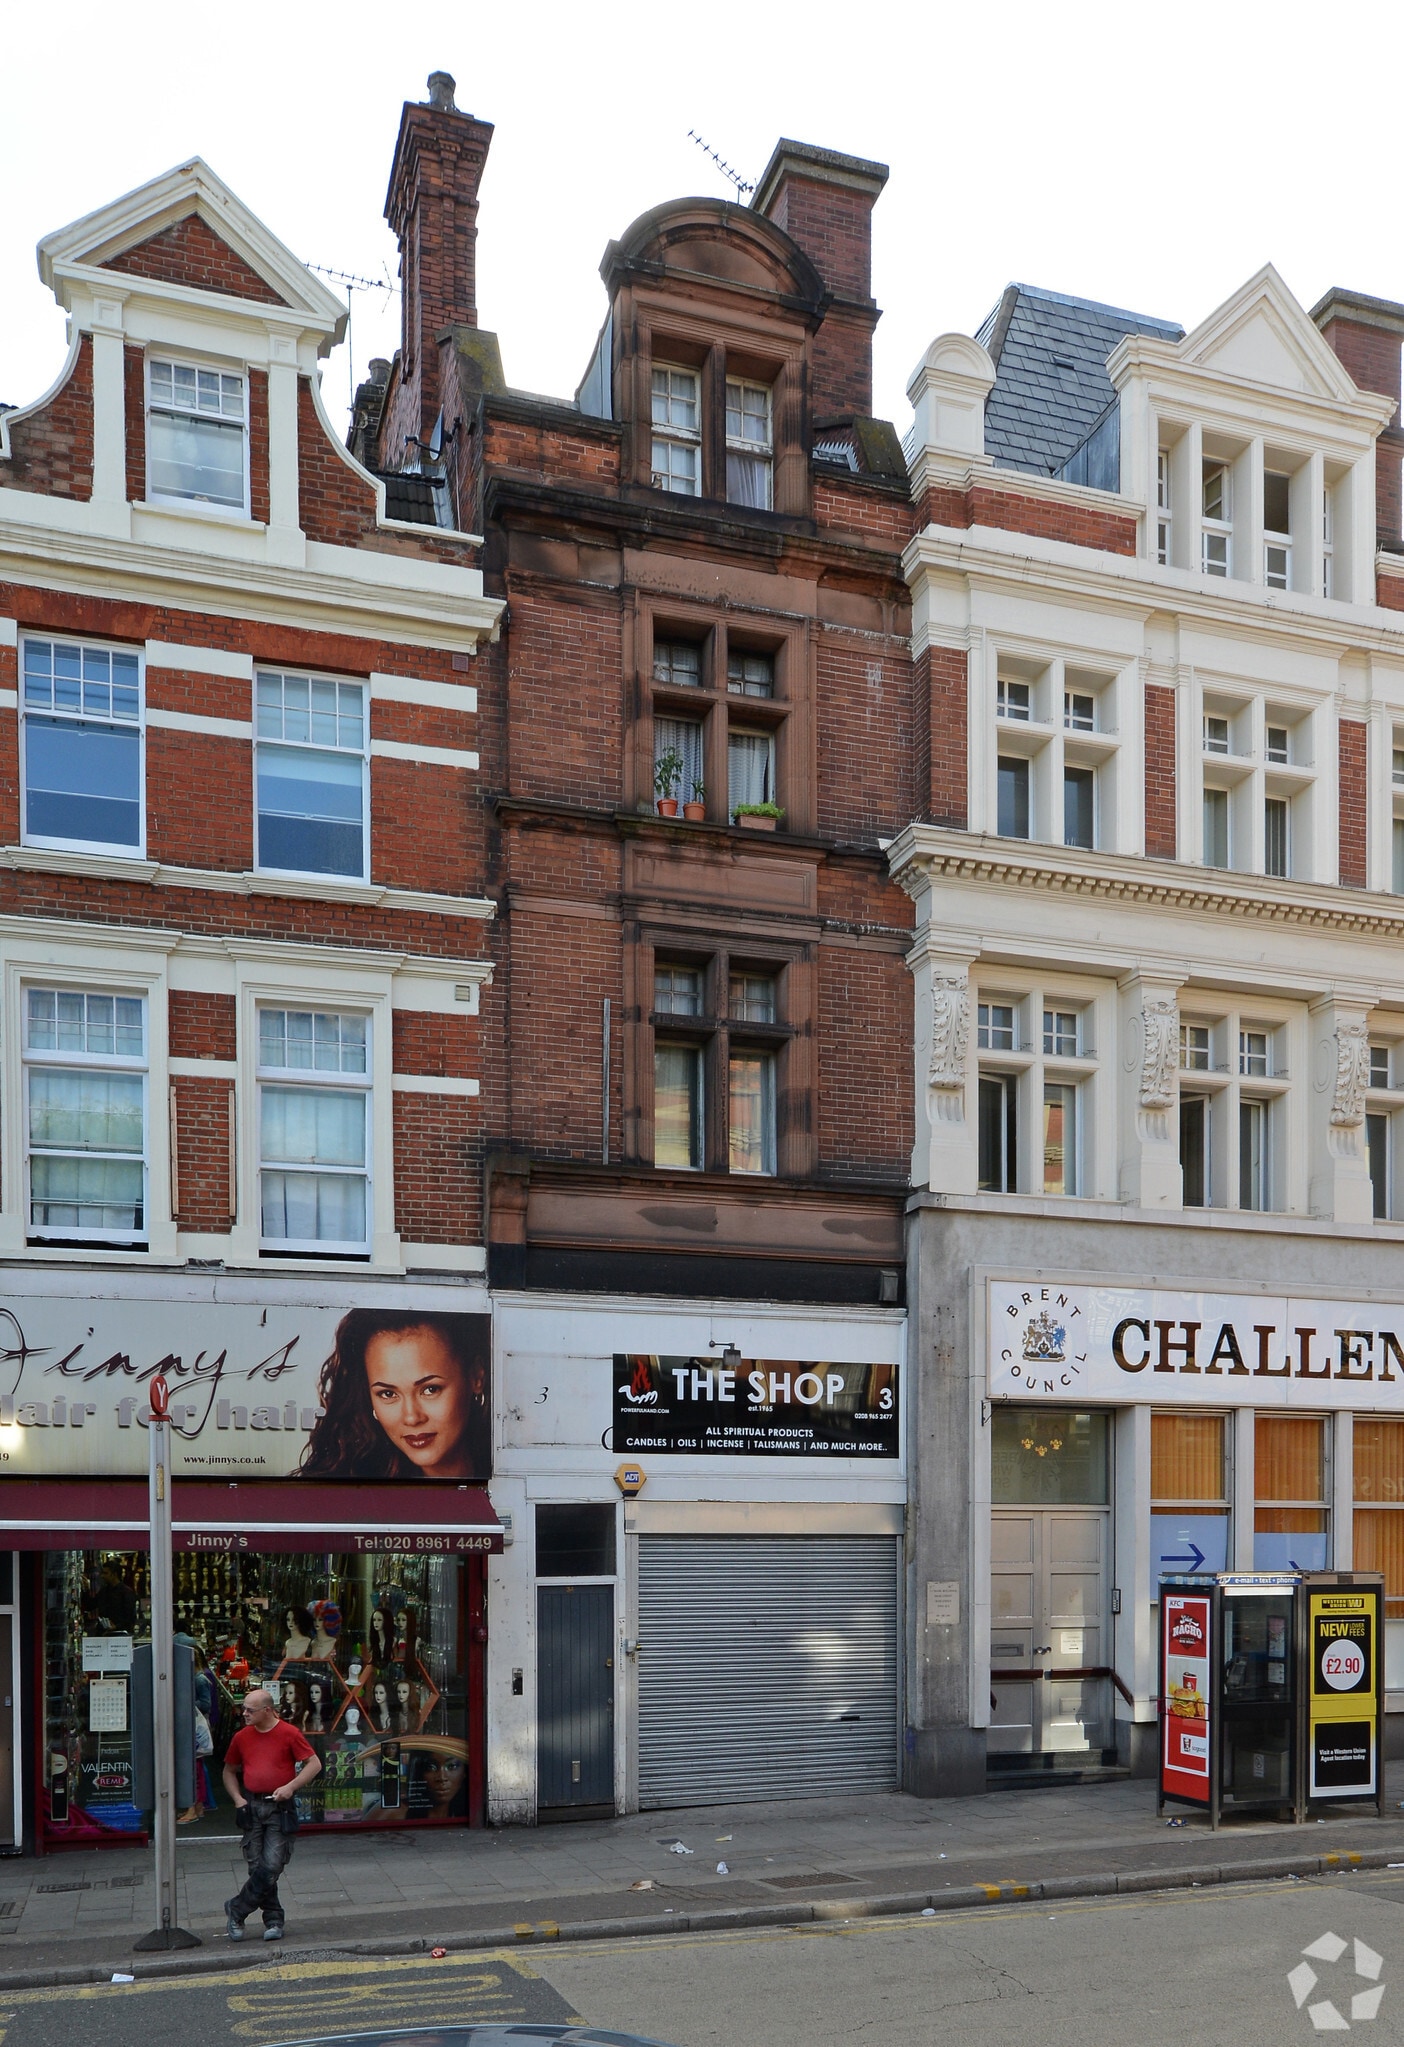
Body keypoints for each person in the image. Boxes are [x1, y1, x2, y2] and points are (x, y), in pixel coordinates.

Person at [298, 1310, 489, 1480]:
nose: (412, 1417)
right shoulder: (348, 1494)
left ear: (476, 1377)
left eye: (430, 1389)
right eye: (388, 1393)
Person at [221, 1687, 322, 1942]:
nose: (244, 1713)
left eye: (249, 1710)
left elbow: (314, 1763)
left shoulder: (289, 1733)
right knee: (257, 1867)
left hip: (279, 1808)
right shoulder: (242, 1737)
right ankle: (274, 1919)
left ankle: (237, 1908)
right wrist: (238, 1800)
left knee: (272, 1865)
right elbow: (229, 1771)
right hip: (251, 1806)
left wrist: (291, 1787)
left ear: (267, 1710)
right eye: (244, 1709)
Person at [87, 1561, 136, 1635]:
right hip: (103, 1633)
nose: (102, 1576)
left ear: (114, 1574)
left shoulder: (126, 1592)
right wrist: (86, 1590)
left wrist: (116, 1626)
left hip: (120, 1635)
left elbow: (130, 1618)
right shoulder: (104, 1591)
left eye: (106, 1573)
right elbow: (91, 1605)